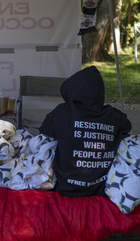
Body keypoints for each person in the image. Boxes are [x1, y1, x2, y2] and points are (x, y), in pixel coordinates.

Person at [39, 66, 131, 197]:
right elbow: (127, 126)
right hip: (100, 188)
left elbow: (44, 132)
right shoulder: (114, 116)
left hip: (66, 186)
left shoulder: (62, 112)